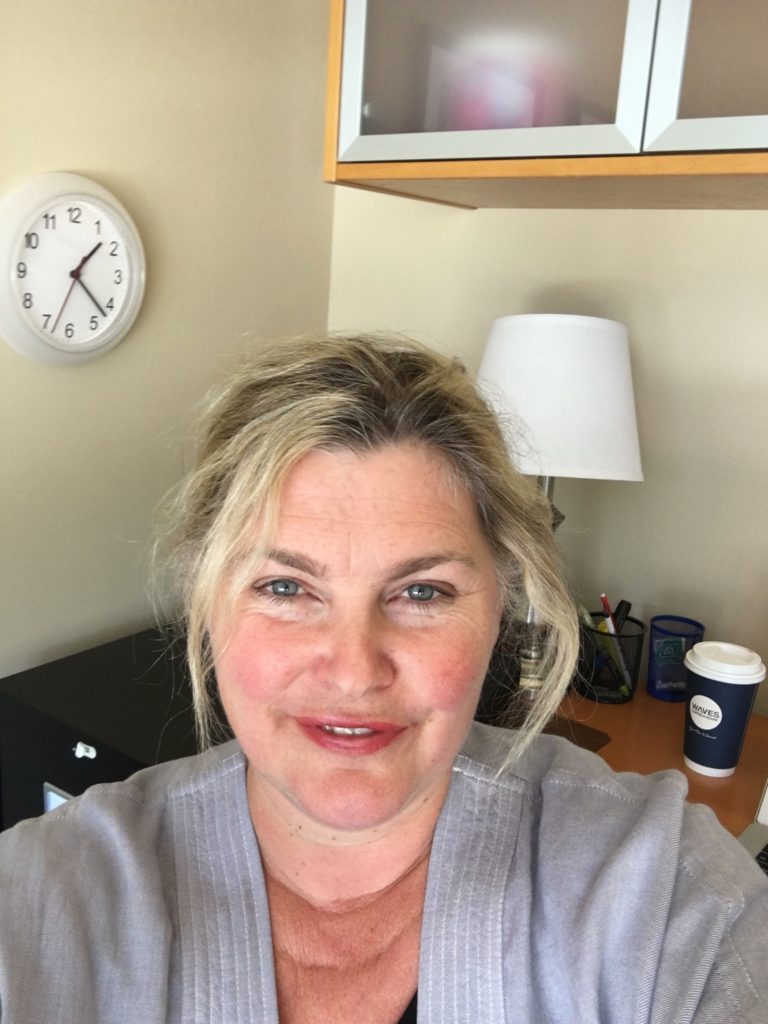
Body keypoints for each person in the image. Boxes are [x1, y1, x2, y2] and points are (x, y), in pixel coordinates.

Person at [0, 333, 766, 1024]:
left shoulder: (665, 895)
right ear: (205, 602)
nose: (355, 669)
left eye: (422, 592)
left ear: (503, 601)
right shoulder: (45, 895)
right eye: (285, 588)